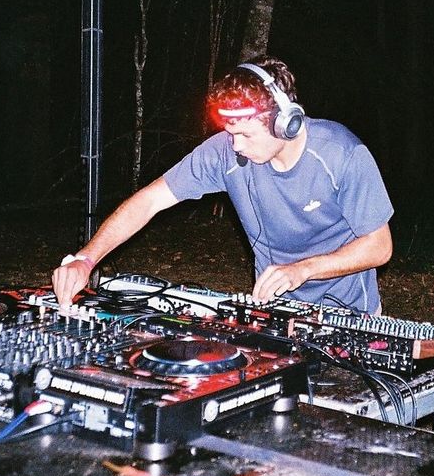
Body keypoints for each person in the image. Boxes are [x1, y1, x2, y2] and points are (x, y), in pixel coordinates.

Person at [52, 57, 393, 312]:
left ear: (284, 124)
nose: (236, 146)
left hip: (350, 316)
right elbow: (149, 200)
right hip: (274, 310)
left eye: (245, 134)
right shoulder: (224, 153)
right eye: (231, 134)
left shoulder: (342, 154)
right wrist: (85, 258)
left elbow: (379, 246)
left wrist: (303, 269)